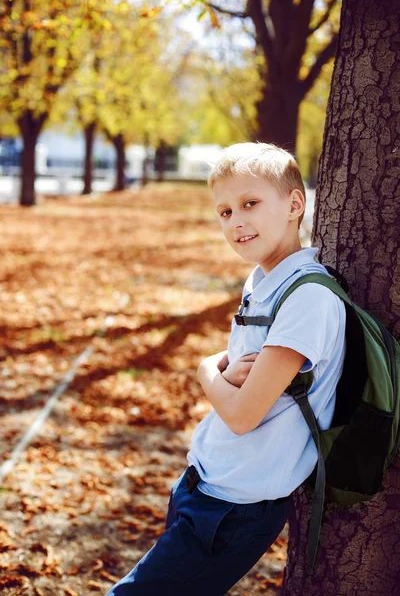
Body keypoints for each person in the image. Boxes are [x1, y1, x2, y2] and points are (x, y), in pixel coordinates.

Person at [106, 142, 346, 595]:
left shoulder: (309, 298)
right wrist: (223, 375)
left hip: (234, 508)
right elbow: (242, 366)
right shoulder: (262, 280)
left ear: (295, 204)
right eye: (224, 212)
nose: (236, 222)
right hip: (204, 480)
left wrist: (203, 371)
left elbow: (241, 415)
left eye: (250, 204)